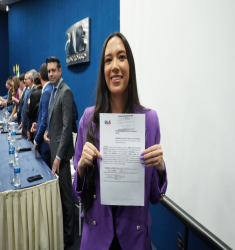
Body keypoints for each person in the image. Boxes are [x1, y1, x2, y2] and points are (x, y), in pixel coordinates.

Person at [72, 32, 168, 250]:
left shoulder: (149, 121)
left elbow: (154, 196)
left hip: (134, 241)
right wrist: (81, 168)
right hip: (96, 239)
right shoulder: (88, 119)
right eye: (108, 60)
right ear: (103, 70)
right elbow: (77, 192)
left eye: (121, 57)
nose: (114, 65)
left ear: (130, 66)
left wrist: (161, 168)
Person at [43, 56, 74, 248]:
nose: (51, 74)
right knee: (60, 197)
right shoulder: (54, 90)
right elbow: (54, 122)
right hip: (53, 149)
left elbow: (66, 128)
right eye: (49, 71)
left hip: (60, 157)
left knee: (66, 198)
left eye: (54, 70)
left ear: (61, 71)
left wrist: (58, 158)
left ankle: (69, 239)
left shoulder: (66, 92)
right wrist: (47, 131)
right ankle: (63, 230)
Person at [31, 63, 52, 168]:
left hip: (45, 144)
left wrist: (36, 140)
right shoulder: (49, 90)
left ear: (40, 76)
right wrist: (37, 124)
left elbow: (45, 120)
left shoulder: (47, 92)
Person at [26, 72, 42, 141]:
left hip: (35, 126)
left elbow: (30, 114)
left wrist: (29, 105)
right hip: (39, 125)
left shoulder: (34, 93)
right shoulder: (43, 91)